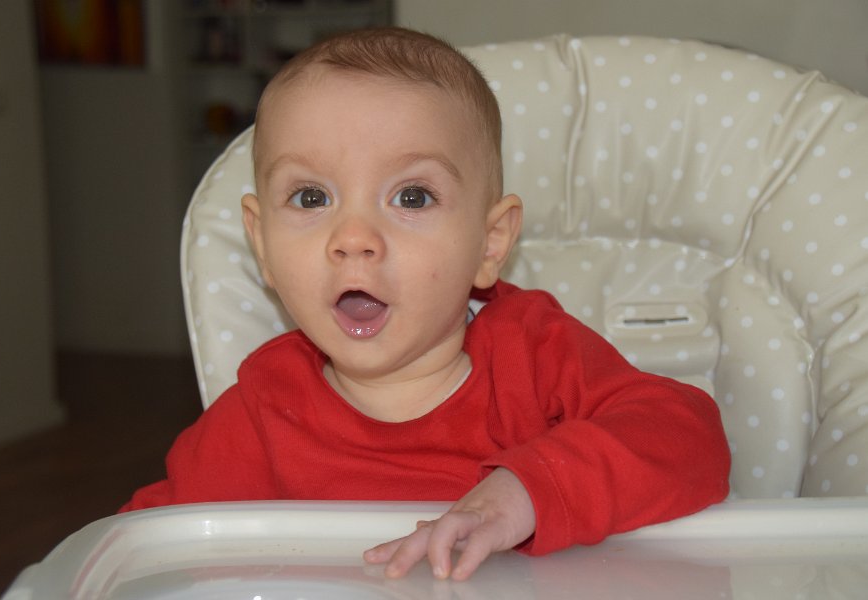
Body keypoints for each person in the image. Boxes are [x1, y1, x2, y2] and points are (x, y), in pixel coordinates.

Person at [121, 27, 730, 581]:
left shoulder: (533, 354)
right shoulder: (262, 411)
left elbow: (689, 440)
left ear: (490, 244)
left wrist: (527, 493)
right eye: (310, 198)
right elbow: (149, 550)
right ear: (262, 246)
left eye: (411, 197)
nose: (353, 237)